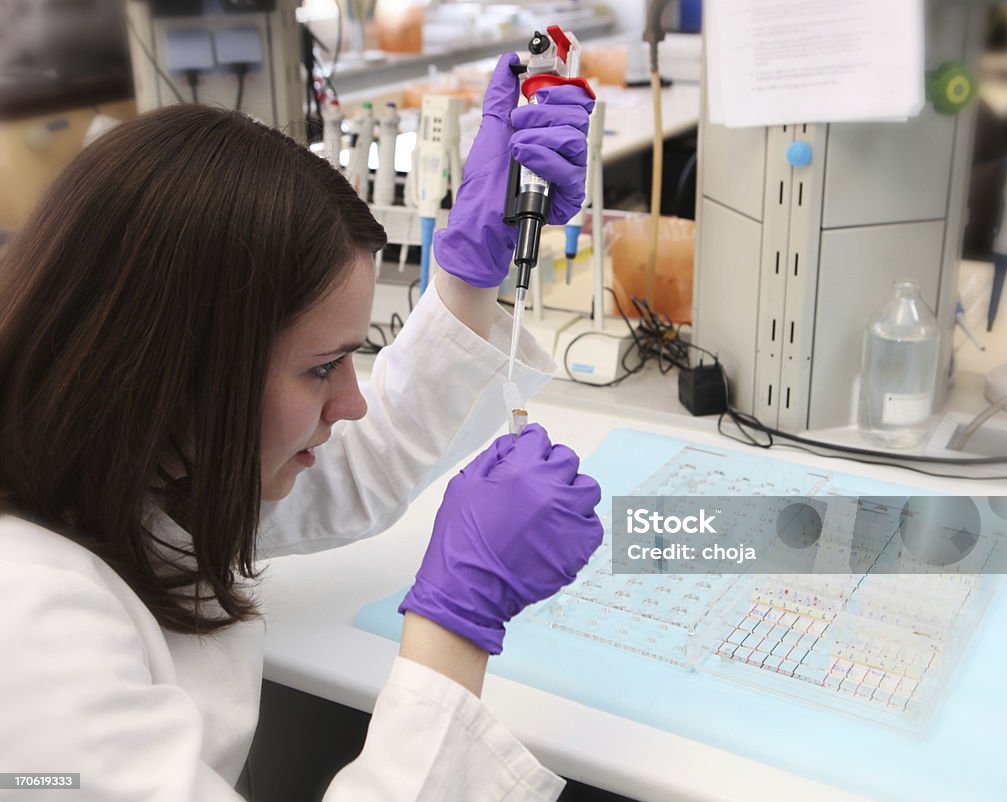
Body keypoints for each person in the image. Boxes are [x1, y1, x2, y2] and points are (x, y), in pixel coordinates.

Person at [0, 52, 600, 800]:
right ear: (176, 377)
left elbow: (346, 464)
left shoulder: (118, 466)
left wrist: (471, 275)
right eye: (322, 367)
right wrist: (456, 622)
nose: (352, 403)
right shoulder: (26, 632)